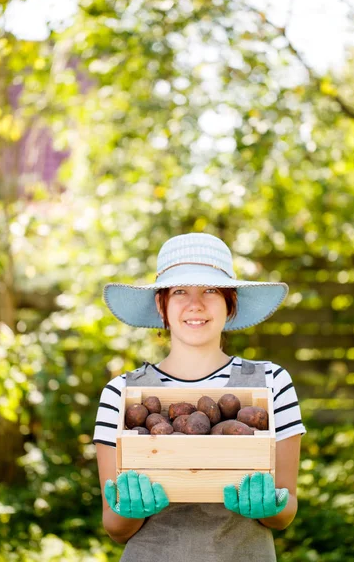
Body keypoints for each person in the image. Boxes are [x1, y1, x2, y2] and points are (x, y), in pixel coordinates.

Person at [93, 232, 306, 562]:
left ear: (230, 302)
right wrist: (130, 509)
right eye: (179, 291)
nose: (196, 303)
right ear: (161, 305)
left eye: (210, 289)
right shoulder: (120, 394)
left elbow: (286, 510)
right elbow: (115, 528)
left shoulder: (272, 382)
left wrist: (271, 506)